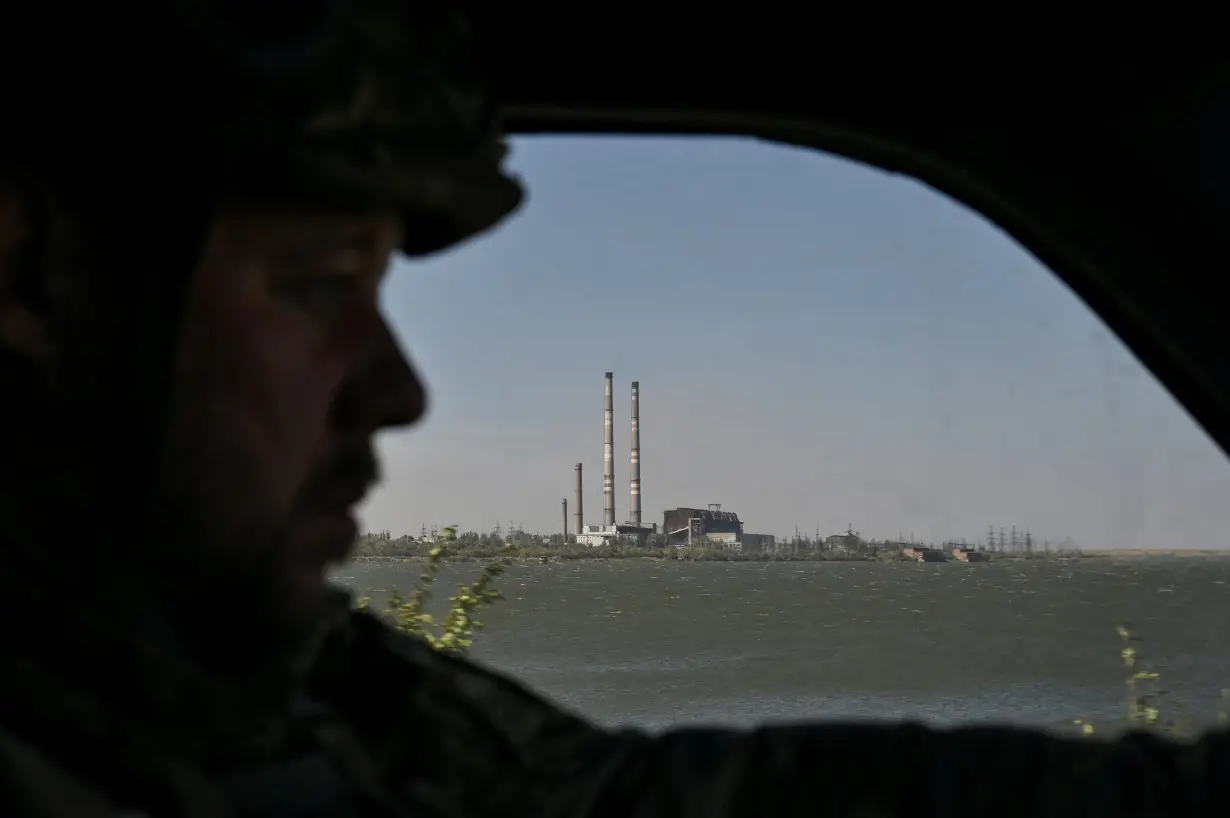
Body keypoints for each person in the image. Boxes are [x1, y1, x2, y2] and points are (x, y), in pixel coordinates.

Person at [0, 1, 1225, 816]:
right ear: (30, 274)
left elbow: (612, 798)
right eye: (319, 288)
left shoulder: (244, 673)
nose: (400, 389)